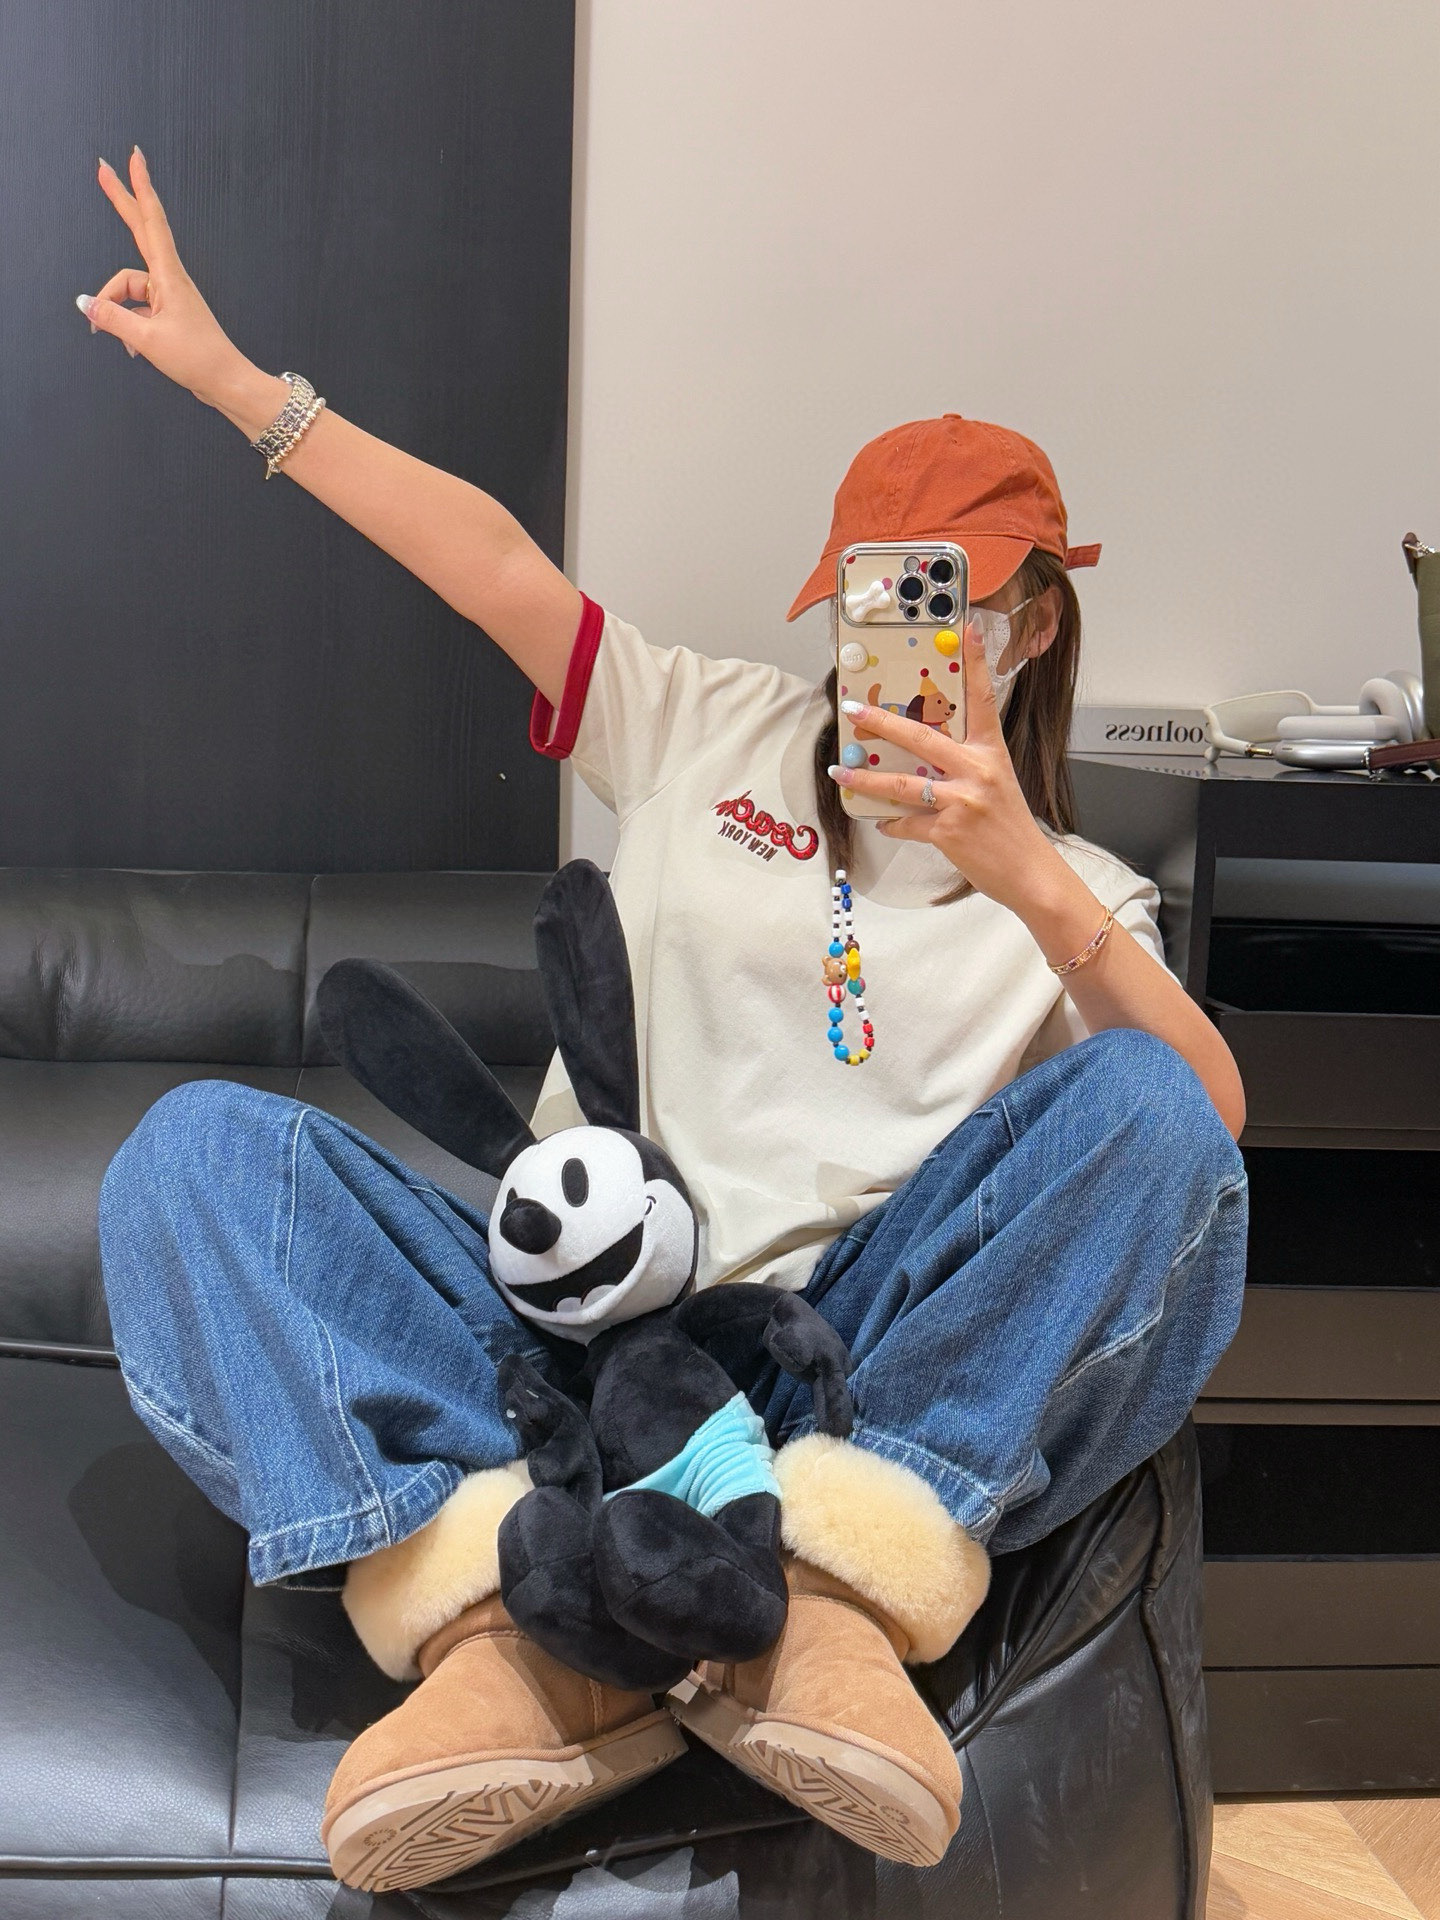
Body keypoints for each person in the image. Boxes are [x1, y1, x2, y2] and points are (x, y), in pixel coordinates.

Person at [83, 149, 1248, 1895]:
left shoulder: (1075, 898)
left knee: (1147, 1112)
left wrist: (1021, 869)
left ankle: (825, 1605)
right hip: (559, 1323)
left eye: (947, 598)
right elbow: (489, 564)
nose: (891, 640)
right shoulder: (704, 720)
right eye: (870, 596)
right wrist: (246, 388)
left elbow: (1205, 1128)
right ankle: (515, 1627)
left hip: (829, 1374)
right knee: (192, 1161)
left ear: (1027, 623)